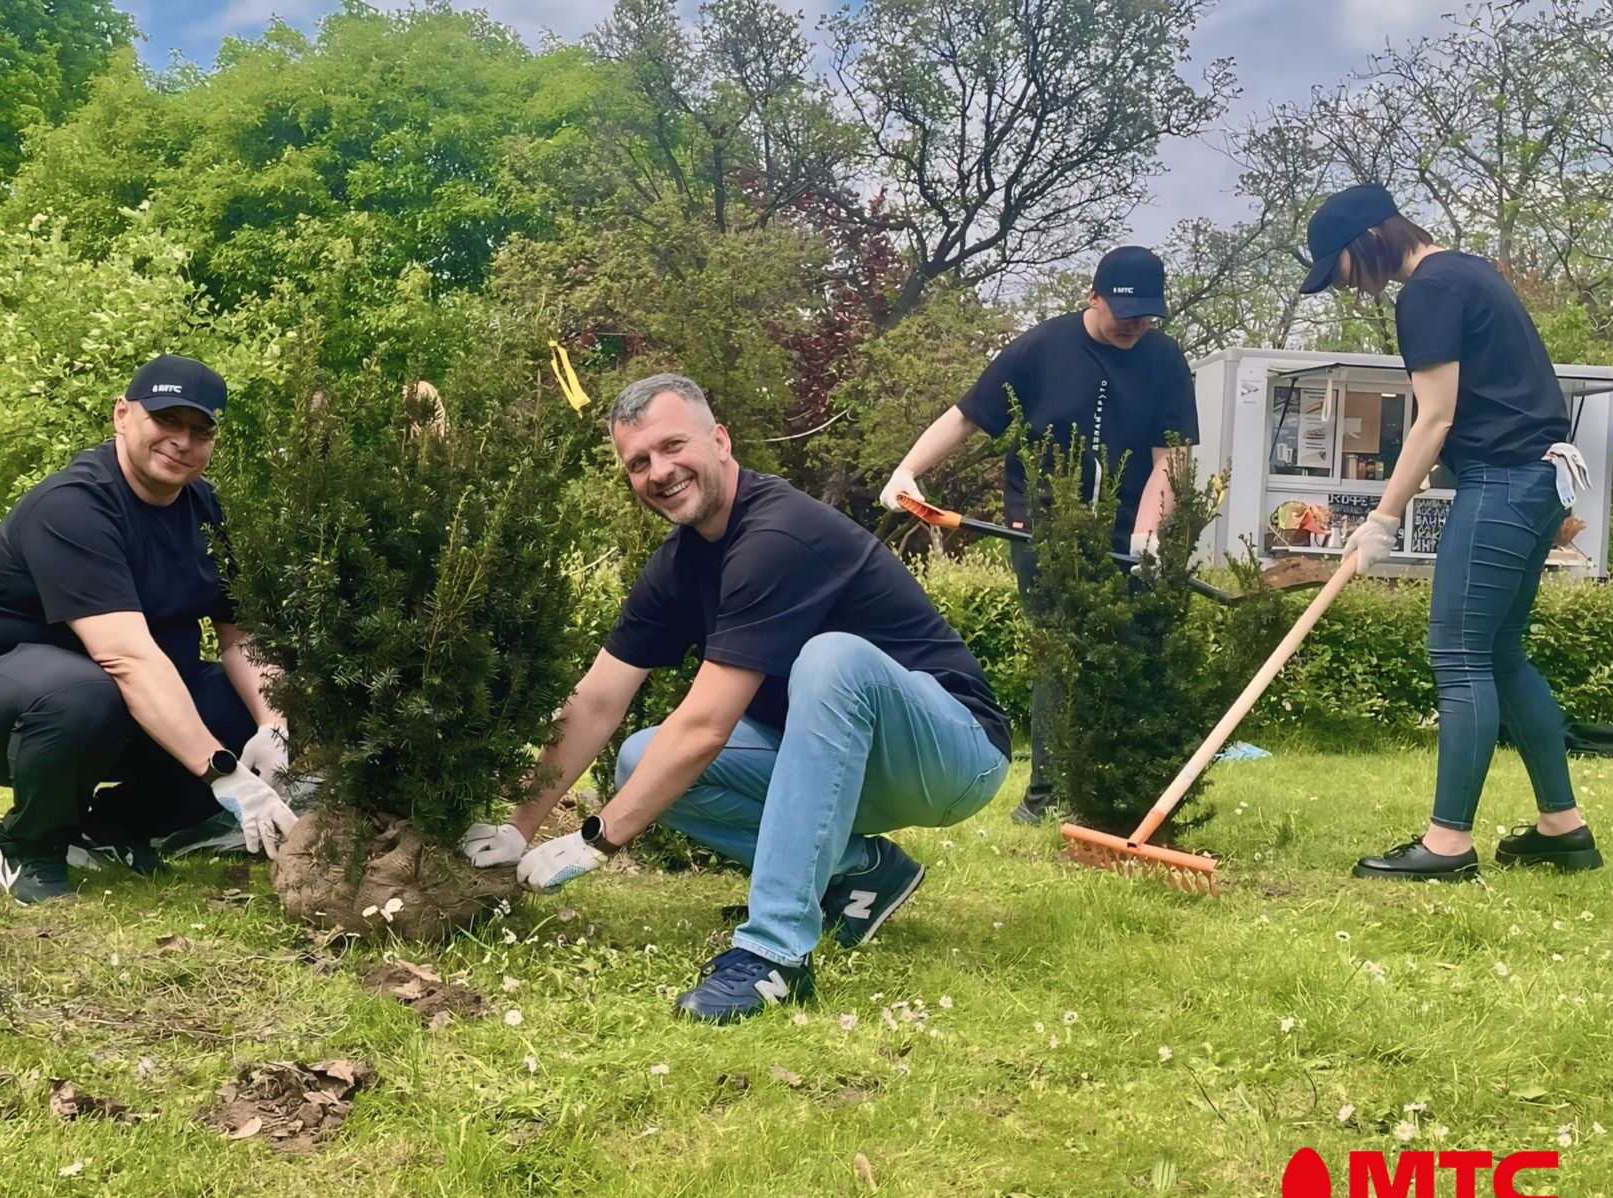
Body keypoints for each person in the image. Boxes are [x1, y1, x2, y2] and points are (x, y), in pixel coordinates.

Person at [461, 374, 1011, 1023]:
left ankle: (775, 957)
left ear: (720, 440)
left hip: (952, 752)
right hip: (849, 761)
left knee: (831, 658)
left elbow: (706, 726)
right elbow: (596, 703)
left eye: (673, 446)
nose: (659, 472)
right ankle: (861, 871)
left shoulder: (777, 534)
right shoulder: (679, 565)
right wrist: (517, 826)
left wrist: (597, 839)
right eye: (638, 462)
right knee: (641, 759)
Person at [1299, 184, 1599, 879]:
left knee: (1459, 653)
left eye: (1338, 265)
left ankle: (1447, 845)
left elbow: (1433, 418)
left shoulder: (1428, 292)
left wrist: (1382, 517)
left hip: (1502, 483)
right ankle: (1562, 827)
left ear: (1367, 238)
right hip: (1536, 479)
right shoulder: (1470, 270)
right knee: (1500, 652)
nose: (1344, 282)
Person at [0, 355, 298, 904]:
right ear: (122, 415)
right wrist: (224, 772)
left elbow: (241, 636)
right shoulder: (73, 506)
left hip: (119, 702)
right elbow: (125, 657)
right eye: (166, 420)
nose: (183, 441)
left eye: (201, 430)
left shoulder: (209, 510)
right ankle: (29, 844)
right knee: (86, 692)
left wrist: (273, 726)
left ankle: (114, 827)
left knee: (237, 700)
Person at [880, 246, 1199, 824]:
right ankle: (1047, 799)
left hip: (1130, 532)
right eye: (1124, 310)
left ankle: (1122, 788)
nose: (1135, 323)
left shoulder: (1165, 359)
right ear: (1093, 296)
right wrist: (908, 471)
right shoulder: (1041, 349)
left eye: (1147, 313)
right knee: (1064, 648)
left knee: (1133, 650)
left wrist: (1150, 537)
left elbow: (1169, 459)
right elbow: (966, 415)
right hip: (1043, 526)